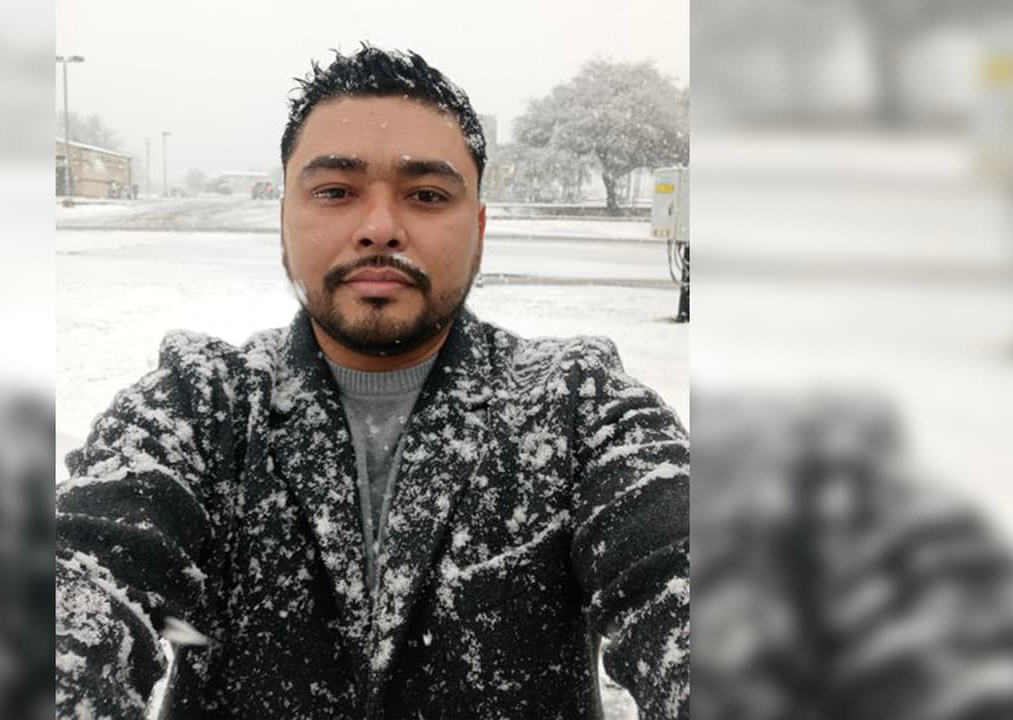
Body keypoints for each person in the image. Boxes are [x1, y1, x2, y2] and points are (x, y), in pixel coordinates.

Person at [56, 45, 689, 720]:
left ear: (478, 230)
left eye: (426, 195)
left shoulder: (580, 407)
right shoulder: (199, 404)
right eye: (335, 192)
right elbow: (75, 591)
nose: (380, 228)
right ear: (284, 221)